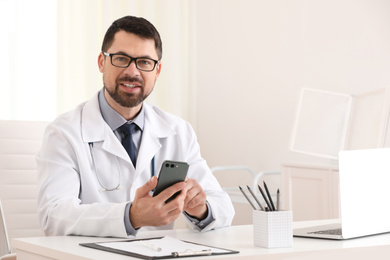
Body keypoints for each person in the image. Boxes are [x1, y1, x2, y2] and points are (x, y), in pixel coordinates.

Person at [36, 15, 235, 238]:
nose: (133, 72)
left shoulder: (179, 131)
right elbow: (54, 217)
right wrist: (130, 216)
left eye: (144, 62)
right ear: (102, 62)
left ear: (157, 70)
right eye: (121, 58)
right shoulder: (64, 133)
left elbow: (223, 208)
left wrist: (201, 208)